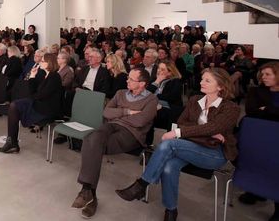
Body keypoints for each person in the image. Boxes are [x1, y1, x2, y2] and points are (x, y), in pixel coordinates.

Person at [116, 68, 240, 221]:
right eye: (202, 79)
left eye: (207, 80)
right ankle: (171, 211)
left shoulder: (231, 108)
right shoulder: (195, 100)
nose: (201, 82)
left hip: (215, 154)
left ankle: (142, 184)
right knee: (168, 168)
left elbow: (213, 127)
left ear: (220, 86)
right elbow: (182, 122)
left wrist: (181, 132)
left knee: (169, 143)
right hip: (189, 147)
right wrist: (204, 131)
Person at [71, 67, 158, 218]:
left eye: (131, 79)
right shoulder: (120, 93)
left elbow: (141, 121)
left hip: (131, 134)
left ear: (142, 83)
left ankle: (89, 194)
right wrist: (127, 112)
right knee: (92, 138)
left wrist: (117, 114)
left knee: (92, 144)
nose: (127, 80)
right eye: (128, 78)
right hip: (110, 126)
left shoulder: (151, 99)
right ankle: (88, 191)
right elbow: (106, 112)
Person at [0, 53, 64, 154]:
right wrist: (32, 76)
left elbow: (39, 95)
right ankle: (11, 142)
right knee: (14, 106)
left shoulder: (55, 77)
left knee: (15, 106)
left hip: (46, 109)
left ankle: (12, 143)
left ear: (49, 63)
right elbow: (33, 92)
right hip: (38, 103)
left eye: (42, 61)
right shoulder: (44, 74)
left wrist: (32, 92)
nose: (40, 62)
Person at [237, 61, 279, 218]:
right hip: (258, 136)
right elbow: (251, 111)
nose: (264, 77)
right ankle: (255, 190)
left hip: (275, 139)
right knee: (256, 161)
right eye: (262, 74)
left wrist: (266, 110)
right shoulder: (257, 91)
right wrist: (270, 111)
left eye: (268, 74)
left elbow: (263, 111)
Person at [145, 60, 183, 146]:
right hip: (155, 108)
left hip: (169, 110)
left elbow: (171, 97)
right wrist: (157, 81)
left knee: (149, 114)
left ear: (170, 72)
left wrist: (154, 98)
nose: (159, 71)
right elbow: (145, 94)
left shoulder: (175, 82)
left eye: (162, 69)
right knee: (146, 113)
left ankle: (147, 143)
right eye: (158, 68)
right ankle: (145, 143)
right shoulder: (155, 80)